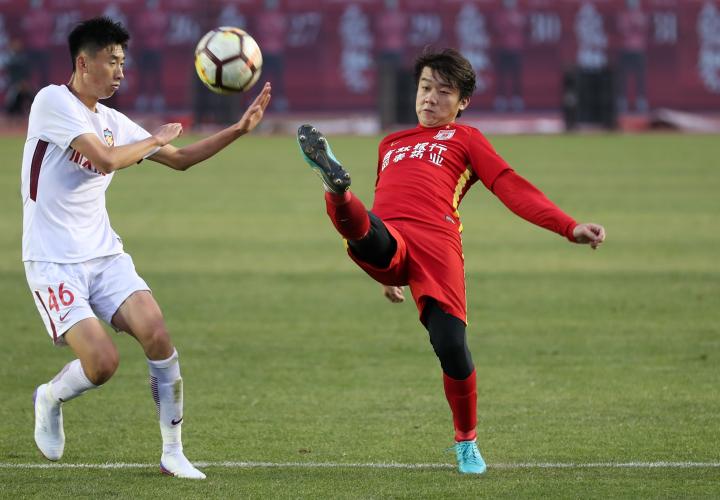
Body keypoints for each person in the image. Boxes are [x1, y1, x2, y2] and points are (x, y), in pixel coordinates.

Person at [296, 48, 605, 474]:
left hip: (437, 247)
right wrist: (386, 276)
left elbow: (511, 187)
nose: (430, 98)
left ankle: (466, 442)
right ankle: (336, 189)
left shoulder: (466, 139)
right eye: (425, 87)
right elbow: (387, 205)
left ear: (462, 103)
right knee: (363, 228)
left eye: (444, 92)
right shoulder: (391, 144)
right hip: (390, 237)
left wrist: (568, 226)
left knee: (450, 347)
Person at [22, 17, 271, 479]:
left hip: (104, 255)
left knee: (157, 333)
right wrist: (154, 139)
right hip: (53, 261)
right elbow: (105, 159)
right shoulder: (51, 101)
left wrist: (238, 129)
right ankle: (50, 396)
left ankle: (173, 452)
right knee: (102, 364)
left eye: (123, 62)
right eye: (111, 61)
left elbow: (180, 160)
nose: (120, 71)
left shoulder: (111, 121)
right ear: (83, 63)